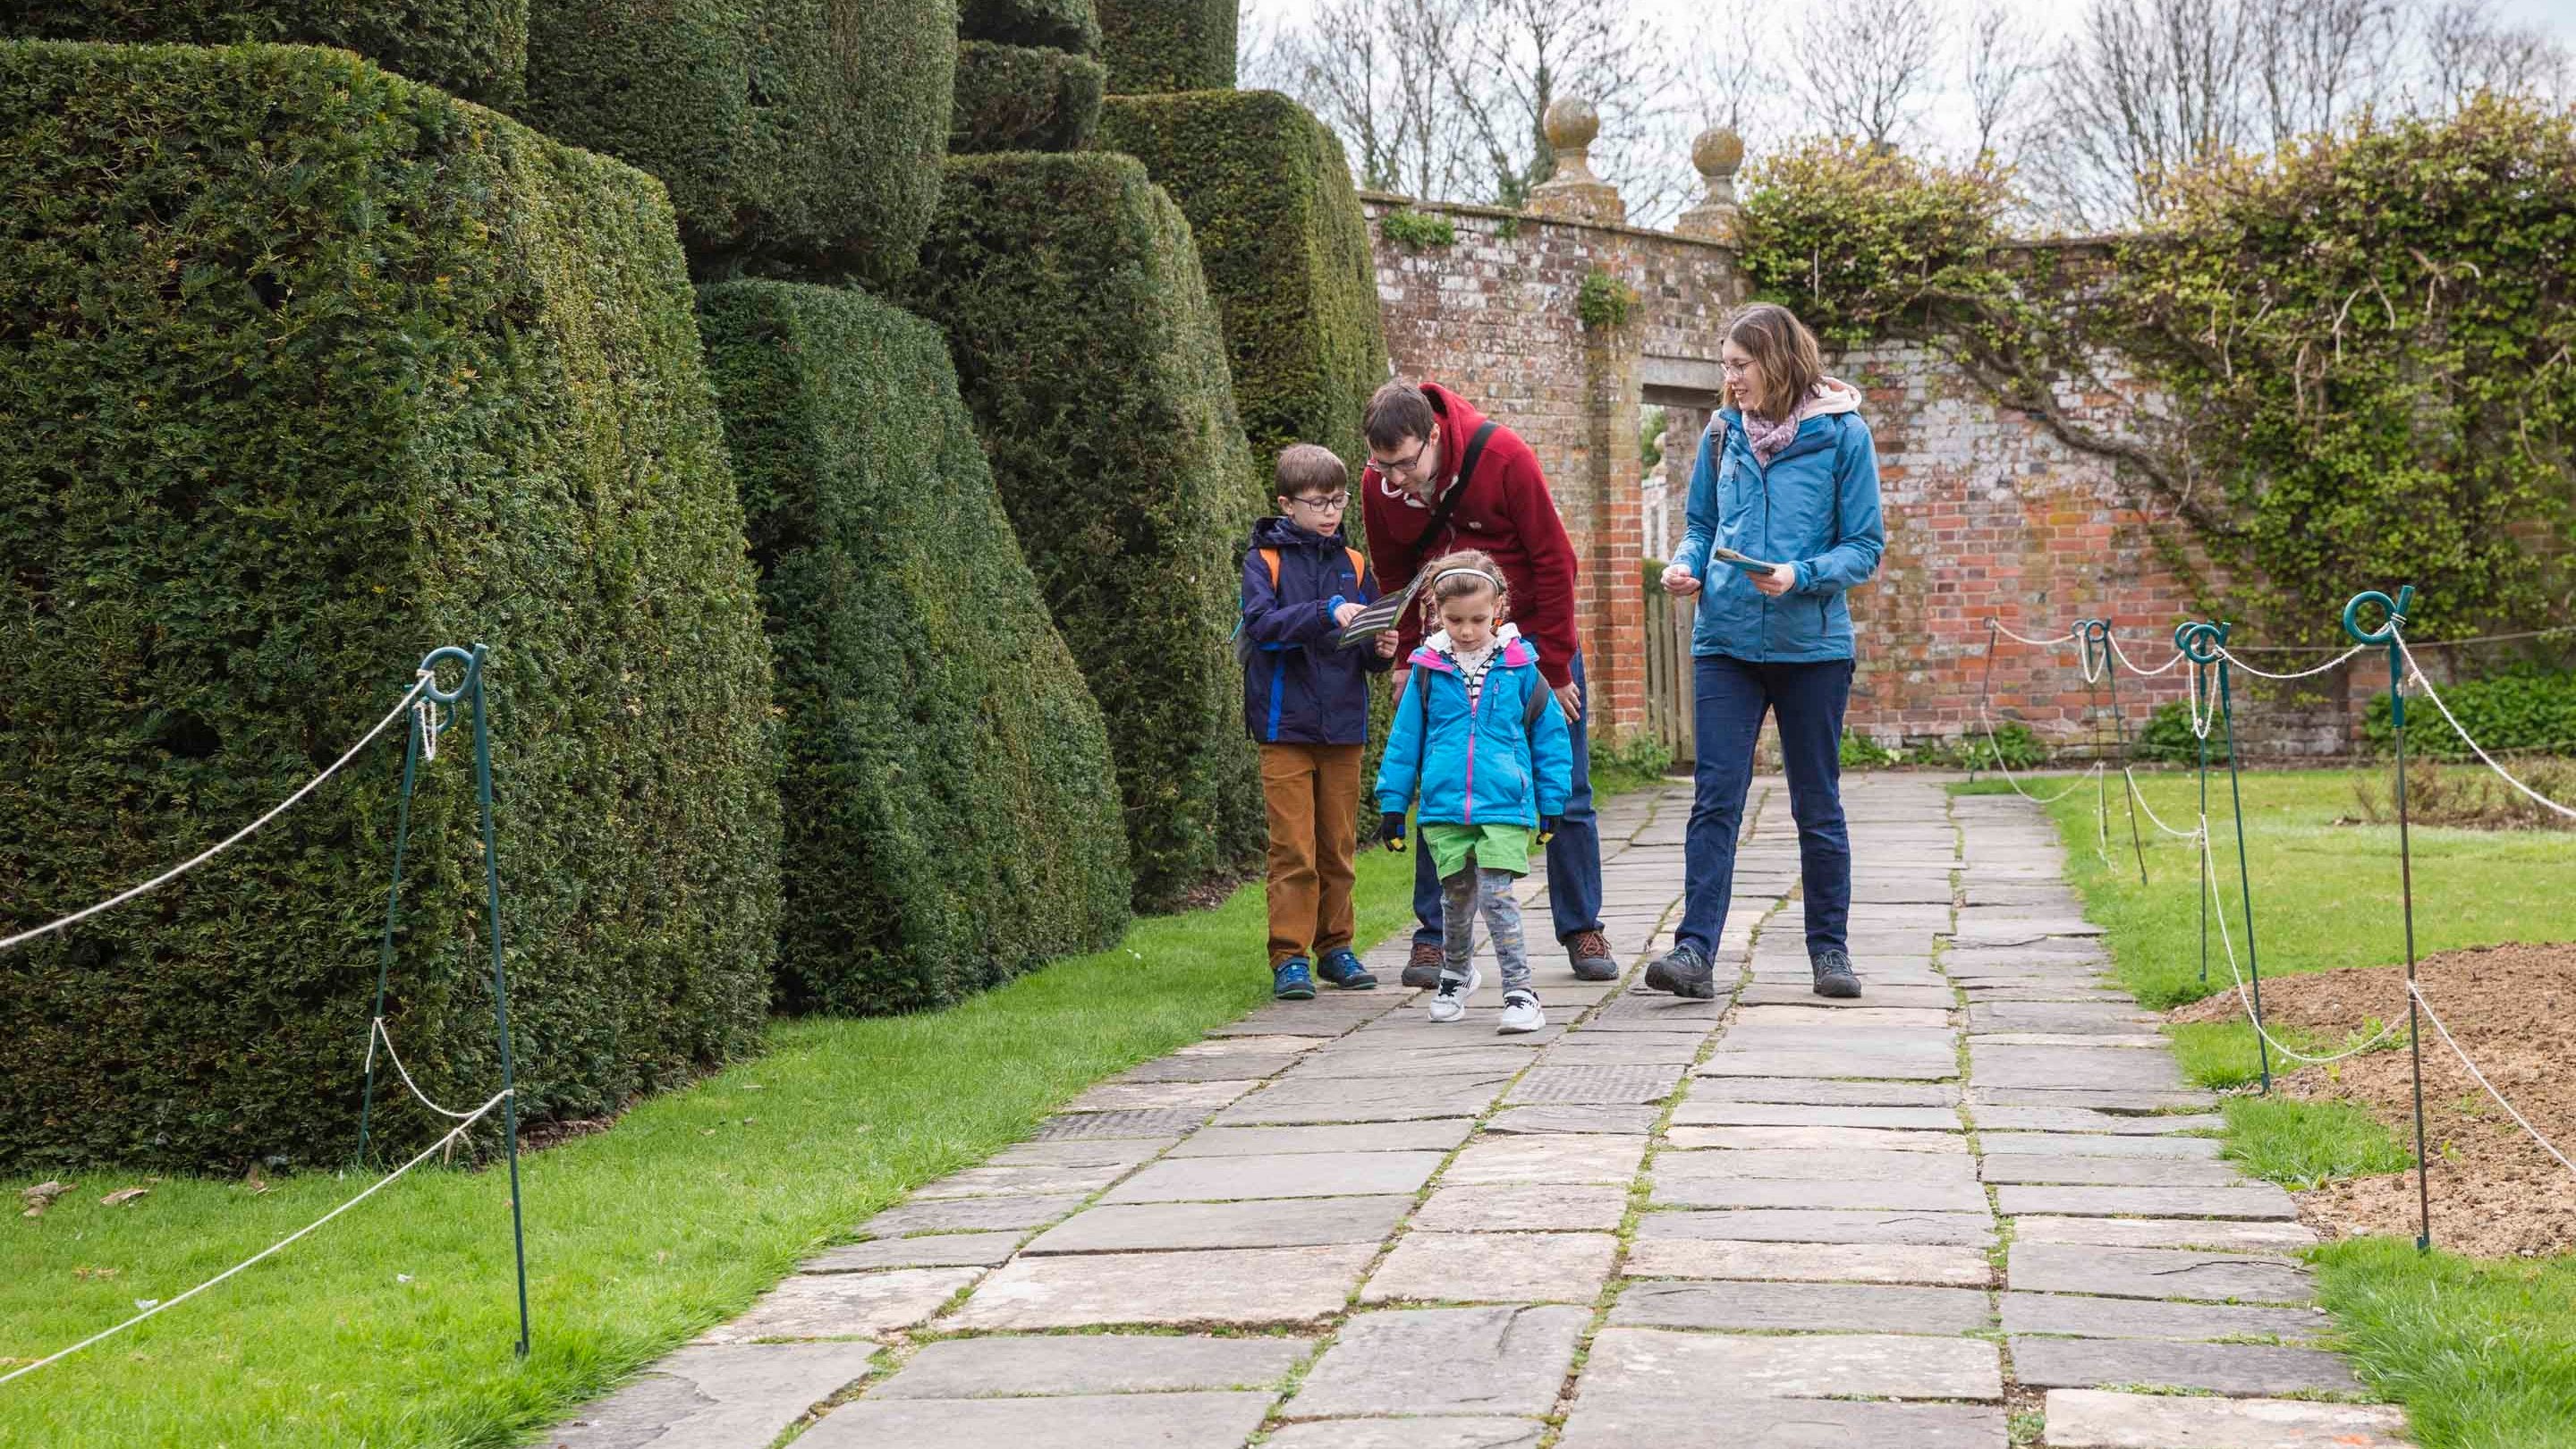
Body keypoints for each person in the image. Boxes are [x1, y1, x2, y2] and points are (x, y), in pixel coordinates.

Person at [1647, 303, 1885, 1001]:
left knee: (1816, 803)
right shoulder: (1722, 434)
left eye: (1740, 366)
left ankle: (1830, 954)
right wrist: (1686, 565)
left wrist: (1799, 576)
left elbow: (1865, 547)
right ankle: (1694, 954)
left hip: (1812, 647)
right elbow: (1700, 523)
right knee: (1714, 799)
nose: (1730, 380)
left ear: (1779, 361)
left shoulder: (1843, 435)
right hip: (1724, 641)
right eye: (1725, 366)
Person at [1359, 380, 1617, 987]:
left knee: (1566, 784)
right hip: (1444, 652)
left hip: (1526, 648)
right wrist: (1405, 661)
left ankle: (1581, 926)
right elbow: (1394, 569)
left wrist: (1553, 668)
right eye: (1380, 465)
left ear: (1434, 437)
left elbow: (1556, 560)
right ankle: (1434, 938)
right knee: (1441, 785)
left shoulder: (1503, 457)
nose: (1393, 480)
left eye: (1403, 464)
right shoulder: (1381, 485)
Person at [1373, 552, 1572, 1032]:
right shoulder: (1426, 670)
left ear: (1499, 608)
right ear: (1435, 614)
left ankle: (1521, 992)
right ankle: (1456, 974)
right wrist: (1394, 804)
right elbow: (1405, 742)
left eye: (1478, 619)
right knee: (1455, 898)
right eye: (1454, 619)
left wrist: (1552, 802)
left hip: (1504, 804)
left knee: (1497, 896)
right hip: (1444, 808)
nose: (1466, 630)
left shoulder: (1521, 667)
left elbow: (1549, 738)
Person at [1241, 444, 1402, 1001]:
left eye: (1338, 501)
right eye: (1319, 502)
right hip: (1284, 727)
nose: (1331, 512)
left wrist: (1382, 648)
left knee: (1338, 845)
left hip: (1343, 726)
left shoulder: (1355, 565)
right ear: (1288, 505)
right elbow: (1261, 627)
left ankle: (1336, 948)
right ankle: (1289, 957)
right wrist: (1323, 611)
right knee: (1293, 848)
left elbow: (1364, 650)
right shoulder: (1265, 561)